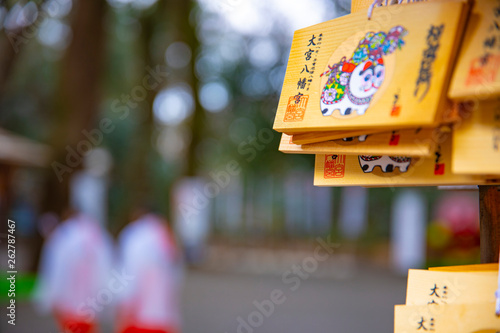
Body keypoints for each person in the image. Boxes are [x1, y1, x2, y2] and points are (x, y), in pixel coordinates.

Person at [33, 209, 113, 333]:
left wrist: (50, 297)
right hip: (91, 303)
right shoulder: (96, 234)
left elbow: (55, 271)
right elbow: (106, 269)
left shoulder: (64, 235)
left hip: (69, 305)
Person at [115, 209, 182, 333]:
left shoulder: (135, 236)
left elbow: (128, 277)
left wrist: (123, 310)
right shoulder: (166, 235)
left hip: (139, 318)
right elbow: (176, 278)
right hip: (164, 318)